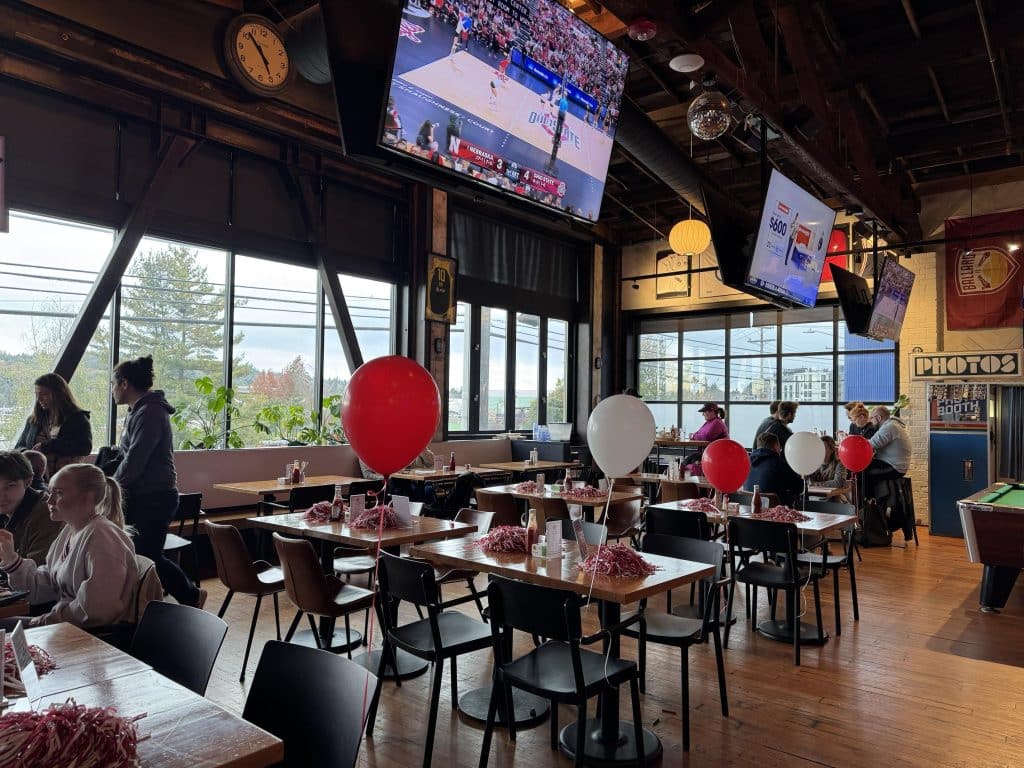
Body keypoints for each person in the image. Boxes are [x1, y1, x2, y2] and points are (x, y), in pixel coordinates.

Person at [111, 356, 204, 609]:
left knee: (147, 556)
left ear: (125, 384)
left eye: (113, 384)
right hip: (144, 496)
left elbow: (136, 459)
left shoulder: (150, 411)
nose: (112, 390)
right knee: (140, 554)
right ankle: (144, 604)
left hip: (154, 497)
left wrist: (111, 488)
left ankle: (190, 595)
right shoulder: (140, 410)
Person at [0, 463, 139, 628]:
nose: (49, 500)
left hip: (95, 638)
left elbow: (97, 611)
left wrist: (45, 620)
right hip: (68, 626)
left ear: (87, 497)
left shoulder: (102, 537)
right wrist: (11, 559)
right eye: (50, 492)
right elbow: (39, 588)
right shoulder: (70, 531)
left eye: (59, 493)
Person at [15, 373, 92, 478]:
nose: (39, 399)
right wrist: (29, 455)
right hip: (36, 479)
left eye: (44, 394)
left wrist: (48, 446)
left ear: (59, 394)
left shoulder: (77, 418)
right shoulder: (34, 420)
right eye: (37, 394)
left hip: (66, 478)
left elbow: (85, 447)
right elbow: (19, 447)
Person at [0, 451, 63, 565]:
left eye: (9, 486)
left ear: (28, 481)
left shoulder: (48, 515)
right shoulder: (9, 506)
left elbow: (34, 575)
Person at [744, 433, 803, 508]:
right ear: (776, 446)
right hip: (775, 515)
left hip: (748, 512)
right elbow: (799, 488)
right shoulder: (779, 464)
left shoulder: (747, 463)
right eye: (779, 447)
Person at [867, 406, 911, 481]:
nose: (871, 421)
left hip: (894, 467)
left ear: (879, 418)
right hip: (897, 465)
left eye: (871, 418)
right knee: (864, 466)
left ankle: (870, 493)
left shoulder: (889, 427)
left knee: (861, 470)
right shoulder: (893, 424)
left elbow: (870, 445)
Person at [808, 435, 850, 503]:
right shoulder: (813, 464)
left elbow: (839, 482)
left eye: (823, 448)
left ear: (831, 450)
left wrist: (817, 484)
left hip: (834, 500)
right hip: (815, 499)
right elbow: (807, 483)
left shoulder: (839, 464)